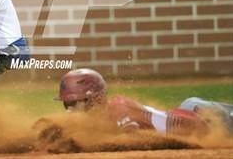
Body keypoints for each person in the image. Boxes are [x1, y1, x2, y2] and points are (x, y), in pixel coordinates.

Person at [54, 68, 233, 135]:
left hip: (209, 120)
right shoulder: (103, 116)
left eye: (75, 104)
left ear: (95, 99)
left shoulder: (119, 110)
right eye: (66, 104)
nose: (70, 111)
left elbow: (132, 139)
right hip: (188, 110)